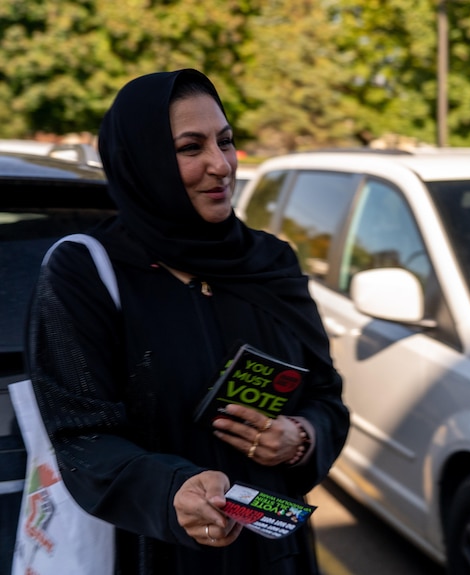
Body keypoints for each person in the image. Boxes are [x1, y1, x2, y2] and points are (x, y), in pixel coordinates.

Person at [25, 68, 350, 574]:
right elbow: (81, 436)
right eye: (190, 148)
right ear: (144, 162)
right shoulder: (88, 270)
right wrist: (171, 490)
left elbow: (328, 397)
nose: (220, 165)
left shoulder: (271, 263)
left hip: (272, 553)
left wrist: (301, 437)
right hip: (153, 554)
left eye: (226, 141)